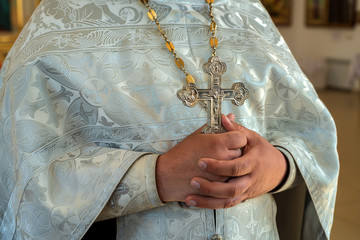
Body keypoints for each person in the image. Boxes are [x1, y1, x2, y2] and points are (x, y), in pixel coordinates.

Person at [0, 0, 339, 239]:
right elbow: (22, 178)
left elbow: (310, 135)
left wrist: (277, 167)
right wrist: (154, 176)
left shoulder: (245, 11)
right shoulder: (62, 21)